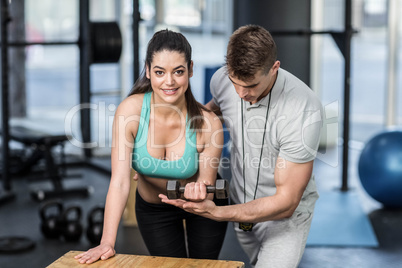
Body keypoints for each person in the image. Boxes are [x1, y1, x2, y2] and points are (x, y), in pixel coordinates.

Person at [159, 25, 324, 268]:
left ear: (274, 68)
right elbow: (210, 114)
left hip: (284, 219)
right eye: (236, 82)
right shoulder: (222, 80)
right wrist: (159, 155)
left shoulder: (303, 109)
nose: (241, 93)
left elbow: (286, 202)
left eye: (251, 85)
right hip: (241, 207)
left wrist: (216, 213)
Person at [75, 29, 227, 264]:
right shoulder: (130, 112)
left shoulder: (208, 123)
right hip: (155, 209)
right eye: (159, 72)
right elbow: (120, 181)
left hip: (201, 209)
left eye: (178, 71)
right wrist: (107, 242)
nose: (169, 81)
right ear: (147, 70)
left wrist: (201, 189)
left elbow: (205, 183)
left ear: (191, 70)